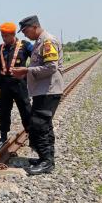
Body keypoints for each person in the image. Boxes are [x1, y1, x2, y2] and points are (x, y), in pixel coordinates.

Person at [10, 15, 64, 175]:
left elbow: (51, 67)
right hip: (43, 90)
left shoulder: (47, 42)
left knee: (39, 125)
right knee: (43, 125)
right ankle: (45, 159)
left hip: (49, 90)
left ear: (34, 27)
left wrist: (27, 70)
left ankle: (47, 162)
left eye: (25, 31)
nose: (24, 35)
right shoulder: (40, 42)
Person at [0, 21, 33, 145]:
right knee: (3, 110)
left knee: (25, 109)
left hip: (20, 84)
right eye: (2, 35)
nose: (4, 38)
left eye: (6, 35)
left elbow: (36, 57)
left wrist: (30, 72)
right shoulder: (0, 49)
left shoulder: (25, 45)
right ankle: (3, 135)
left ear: (13, 34)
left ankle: (31, 133)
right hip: (5, 85)